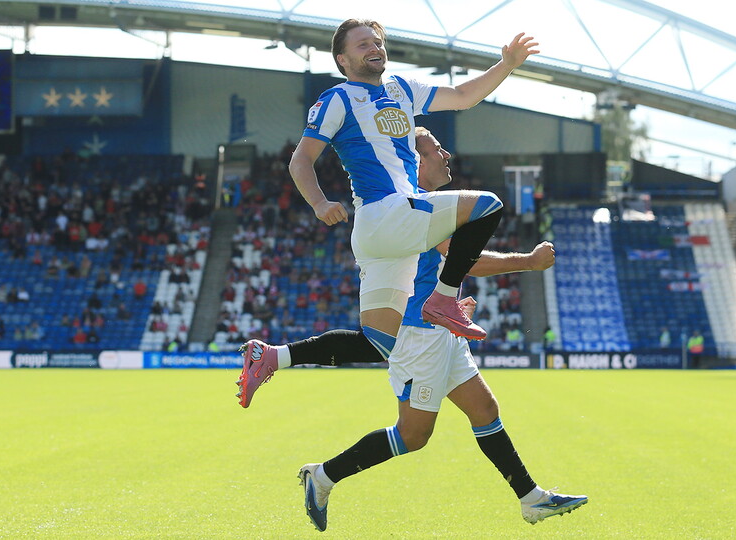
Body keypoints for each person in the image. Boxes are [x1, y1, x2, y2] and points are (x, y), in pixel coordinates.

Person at [239, 128, 586, 530]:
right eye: (436, 148)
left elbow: (449, 262)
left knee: (485, 409)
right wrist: (527, 262)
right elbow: (461, 259)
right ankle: (323, 475)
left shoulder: (421, 208)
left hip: (439, 330)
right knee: (413, 435)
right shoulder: (413, 206)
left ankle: (531, 499)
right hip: (420, 333)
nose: (446, 153)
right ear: (416, 162)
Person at [288, 18, 540, 363]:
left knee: (377, 343)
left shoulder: (401, 88)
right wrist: (318, 202)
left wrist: (506, 65)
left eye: (377, 42)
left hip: (385, 226)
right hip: (384, 211)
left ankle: (274, 356)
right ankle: (444, 298)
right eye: (363, 44)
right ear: (342, 60)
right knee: (488, 206)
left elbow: (464, 97)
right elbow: (301, 160)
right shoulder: (337, 99)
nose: (374, 48)